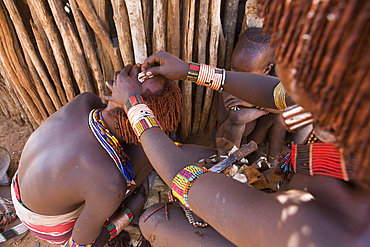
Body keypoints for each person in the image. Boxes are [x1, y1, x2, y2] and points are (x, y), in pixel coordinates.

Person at [105, 0, 370, 246]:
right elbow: (275, 94)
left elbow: (184, 179)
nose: (284, 59)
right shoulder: (351, 105)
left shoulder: (314, 228)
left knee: (155, 221)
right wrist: (189, 70)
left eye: (291, 49)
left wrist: (133, 103)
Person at [10, 66, 185, 246]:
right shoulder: (108, 182)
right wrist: (127, 214)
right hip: (47, 223)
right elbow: (80, 245)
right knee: (149, 153)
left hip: (24, 184)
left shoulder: (86, 101)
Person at [216, 27, 286, 164]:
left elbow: (287, 108)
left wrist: (254, 104)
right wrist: (266, 106)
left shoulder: (271, 83)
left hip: (252, 138)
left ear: (266, 70)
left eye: (246, 73)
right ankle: (229, 164)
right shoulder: (228, 82)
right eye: (234, 68)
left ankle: (273, 162)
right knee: (237, 126)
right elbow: (237, 117)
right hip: (226, 138)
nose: (239, 76)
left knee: (279, 118)